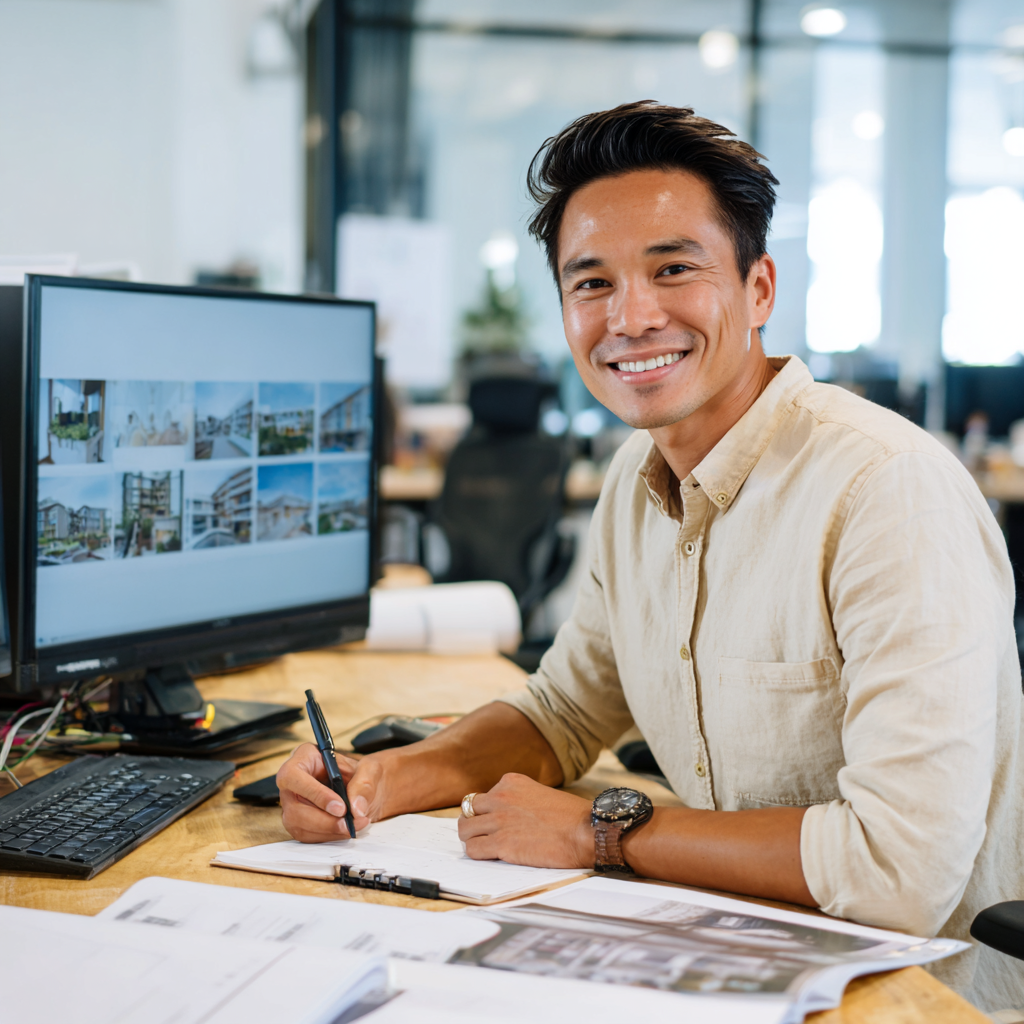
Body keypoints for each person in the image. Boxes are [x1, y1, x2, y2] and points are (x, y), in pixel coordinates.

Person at [277, 102, 1023, 1010]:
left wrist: (604, 831)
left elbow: (897, 868)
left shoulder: (885, 492)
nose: (630, 317)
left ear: (758, 289)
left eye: (673, 269)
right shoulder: (640, 478)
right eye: (591, 284)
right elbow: (561, 712)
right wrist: (382, 782)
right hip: (715, 953)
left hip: (898, 993)